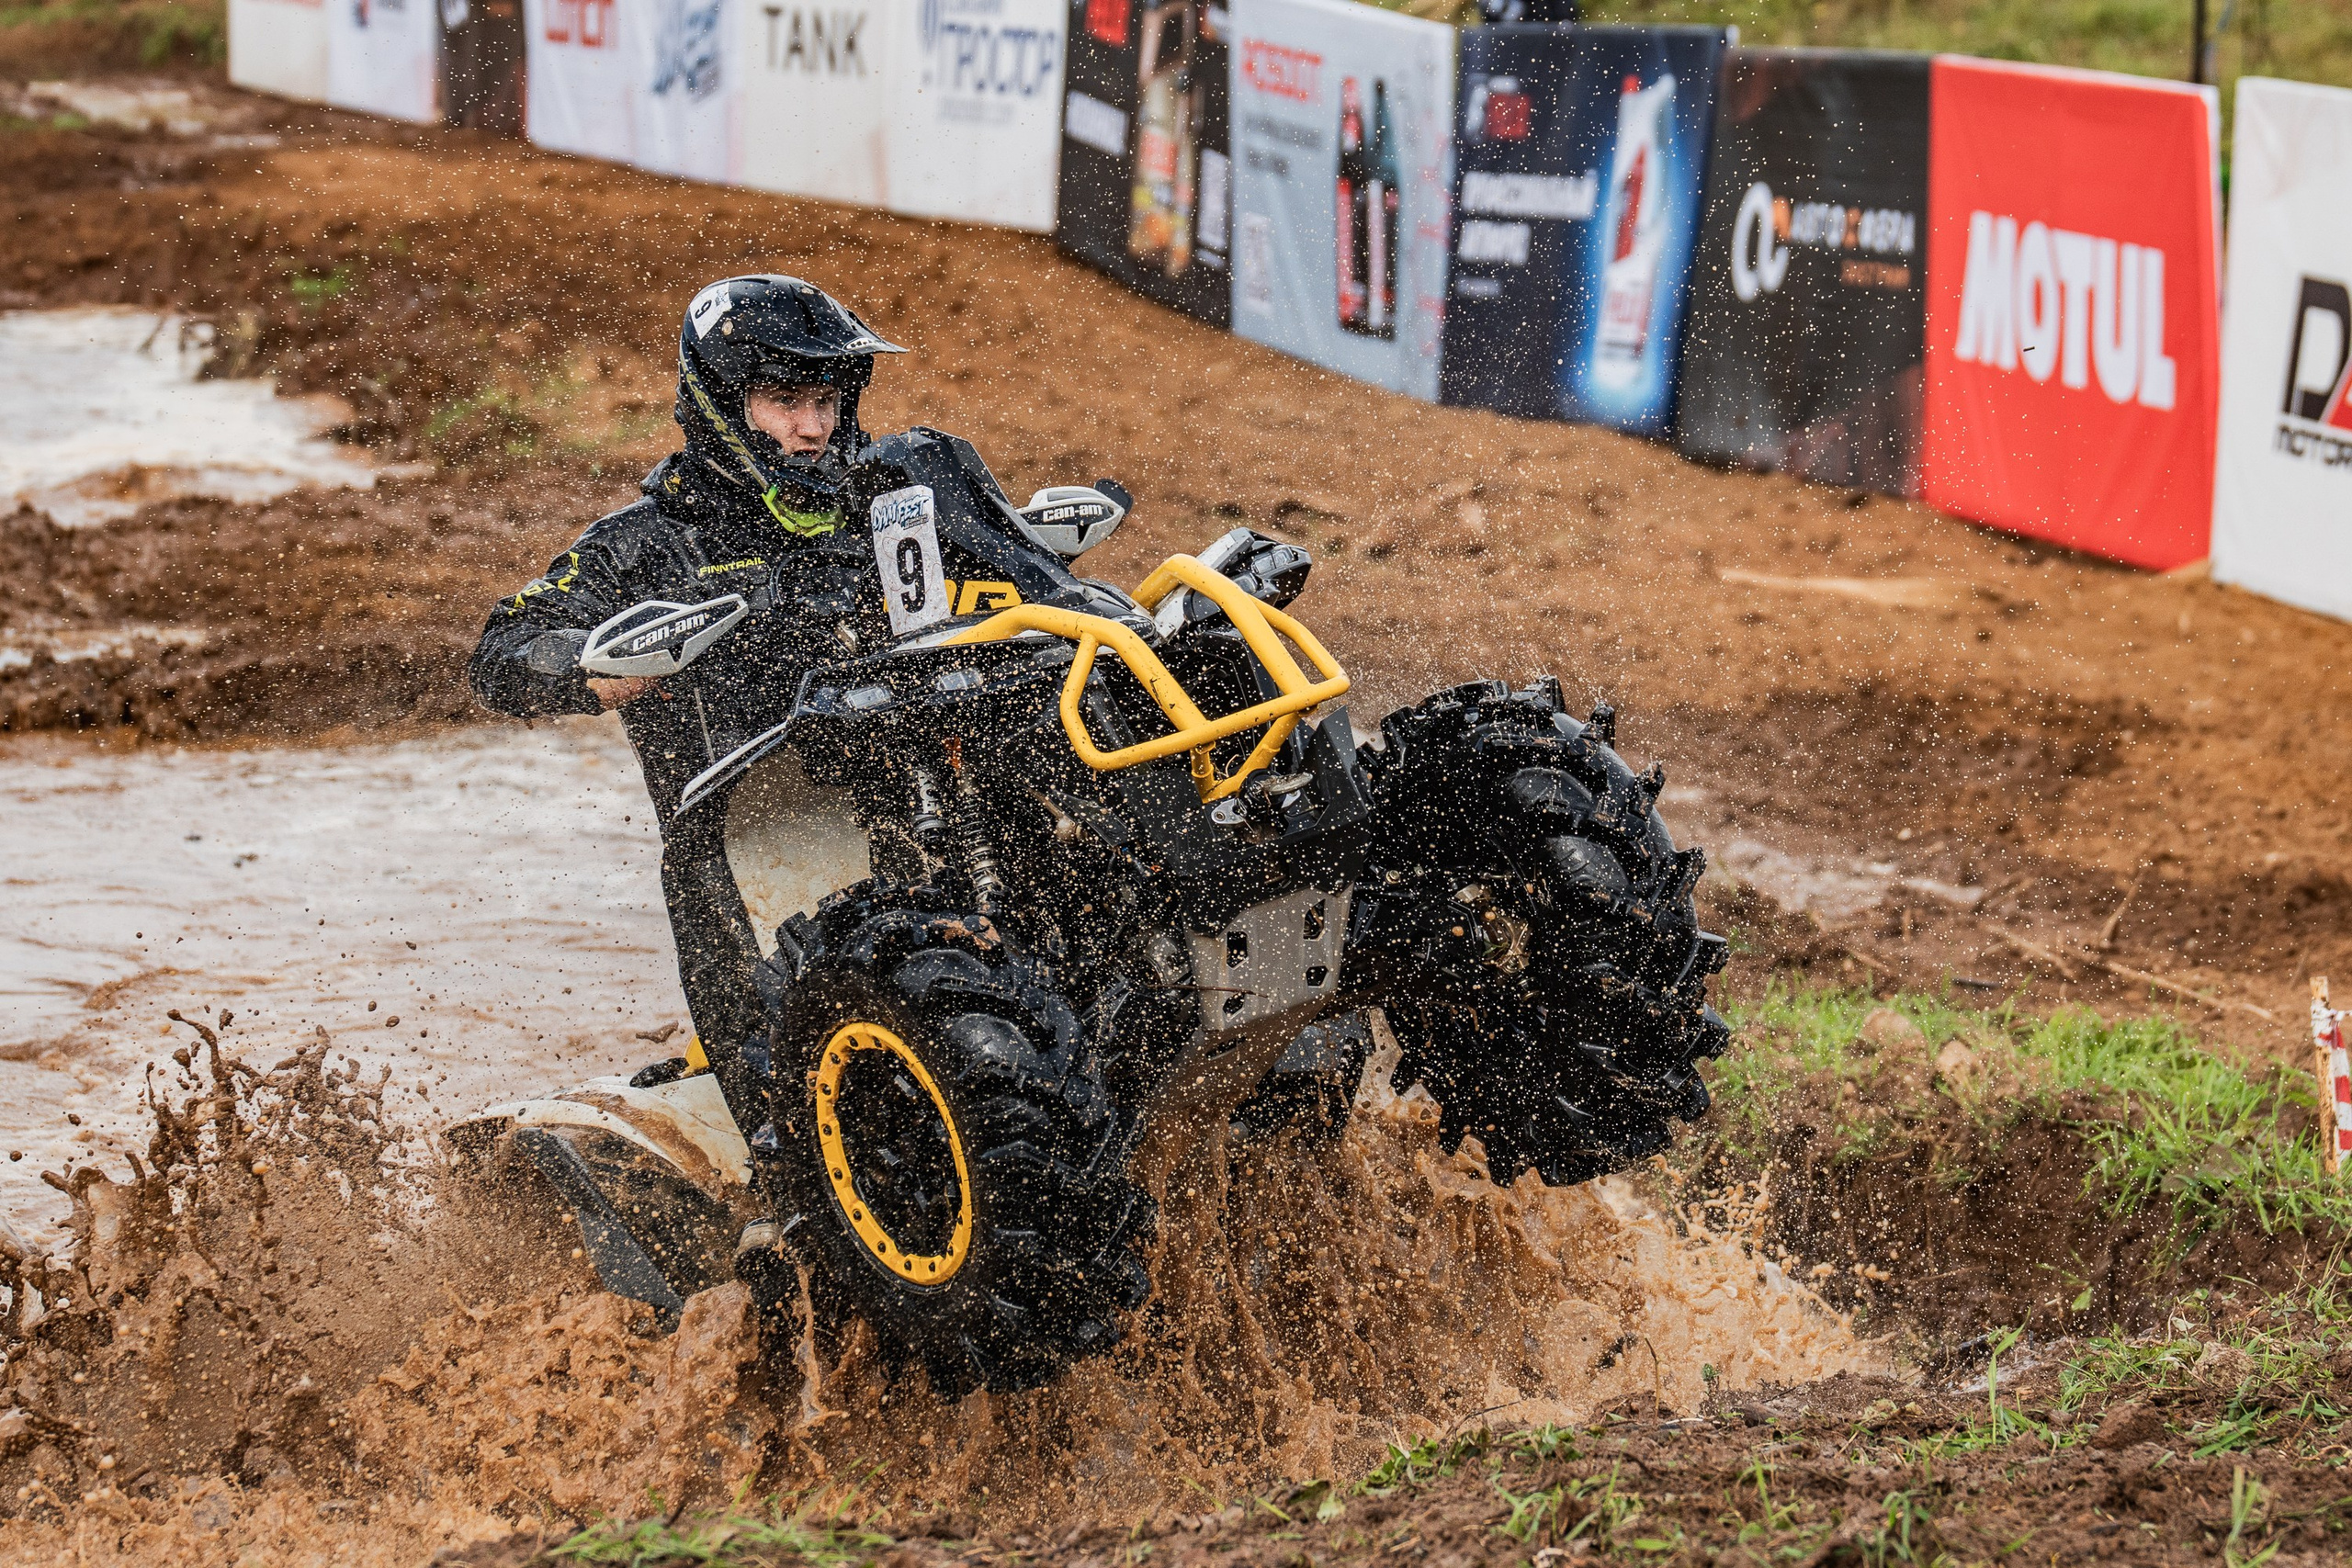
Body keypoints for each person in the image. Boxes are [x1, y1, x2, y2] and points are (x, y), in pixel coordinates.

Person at [468, 276, 906, 1091]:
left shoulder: (885, 505)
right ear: (720, 404)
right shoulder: (648, 544)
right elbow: (502, 649)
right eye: (783, 401)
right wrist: (598, 663)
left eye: (825, 400)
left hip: (915, 827)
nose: (813, 429)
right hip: (749, 874)